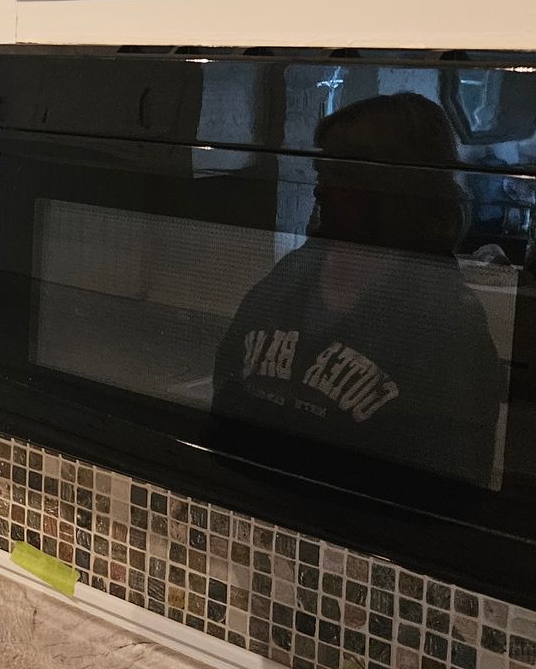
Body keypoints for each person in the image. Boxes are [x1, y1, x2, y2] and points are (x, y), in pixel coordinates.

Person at [211, 92, 506, 487]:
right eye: (322, 172)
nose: (321, 190)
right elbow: (226, 398)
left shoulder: (445, 321)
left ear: (399, 191)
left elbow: (447, 494)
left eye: (344, 176)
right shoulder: (291, 277)